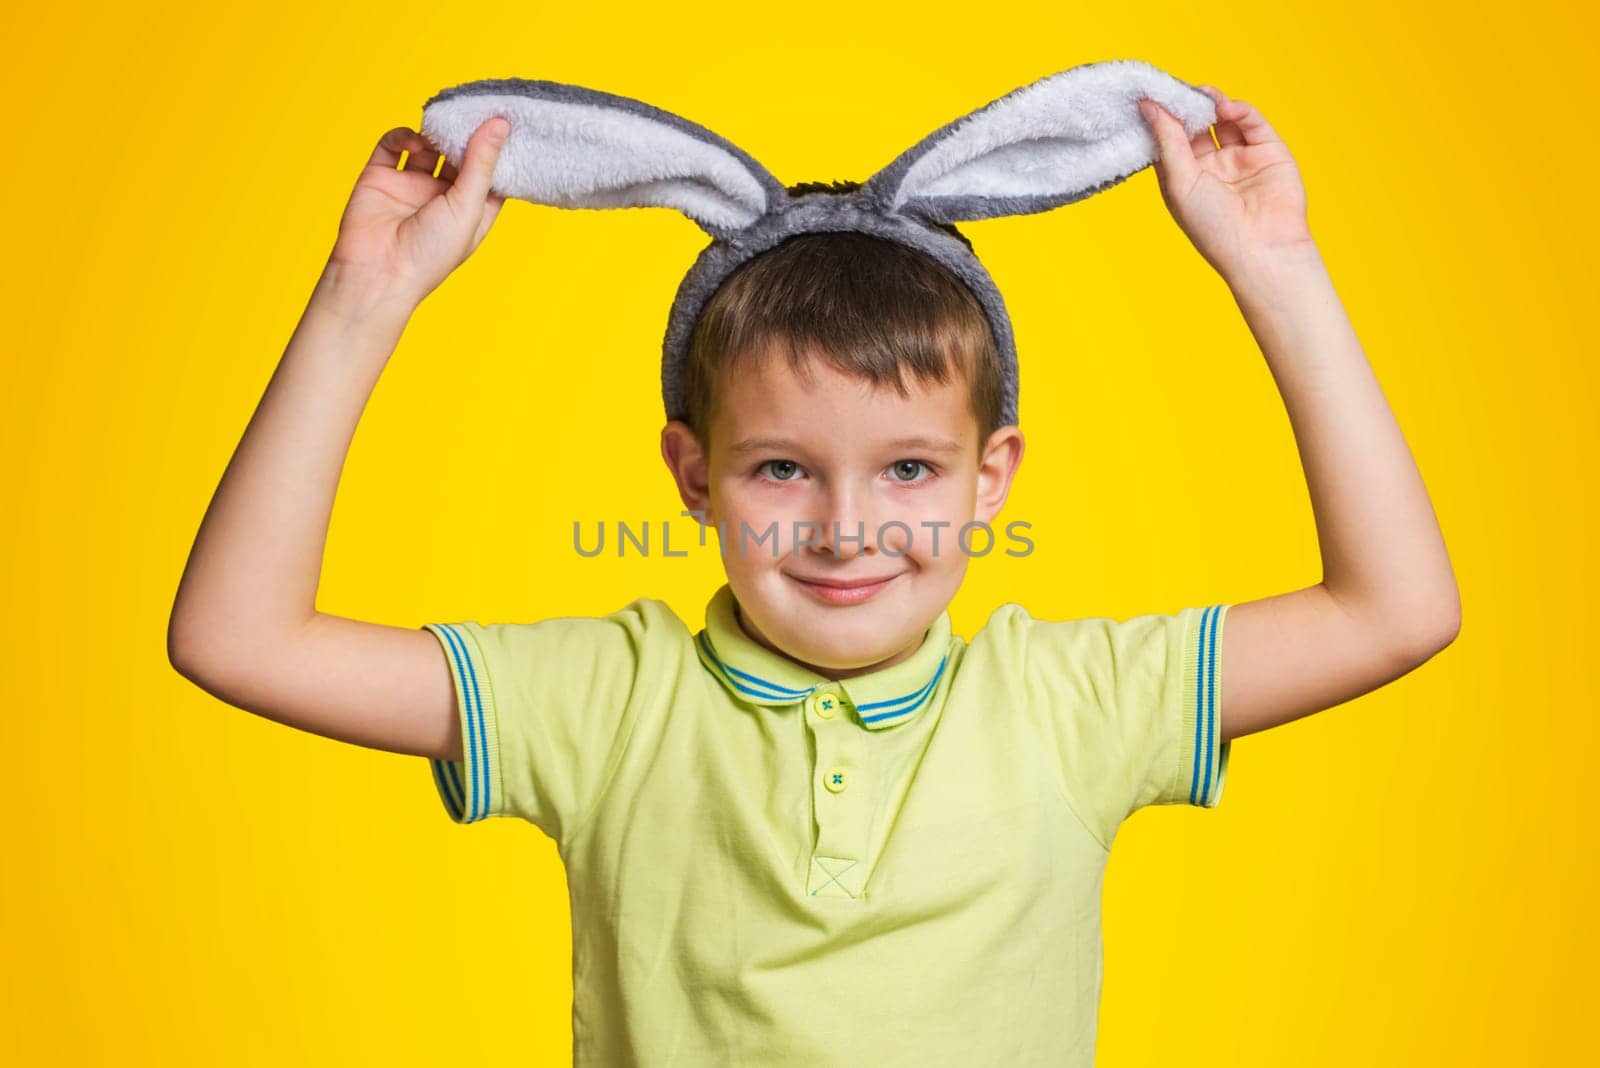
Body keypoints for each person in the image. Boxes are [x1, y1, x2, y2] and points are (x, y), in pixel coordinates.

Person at [168, 86, 1460, 1065]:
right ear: (693, 474)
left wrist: (1278, 273)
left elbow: (1397, 613)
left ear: (989, 477)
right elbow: (239, 640)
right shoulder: (609, 702)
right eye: (782, 470)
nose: (847, 530)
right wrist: (362, 299)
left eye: (908, 471)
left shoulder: (1074, 701)